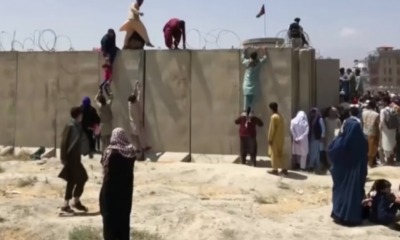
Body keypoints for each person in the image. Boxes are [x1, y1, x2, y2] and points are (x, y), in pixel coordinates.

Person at [328, 118, 368, 226]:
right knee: (354, 194)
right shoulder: (363, 141)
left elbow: (331, 151)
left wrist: (338, 136)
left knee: (341, 193)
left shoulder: (342, 140)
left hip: (341, 174)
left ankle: (339, 214)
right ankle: (352, 217)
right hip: (357, 174)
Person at [100, 128, 136, 240]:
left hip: (110, 192)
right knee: (123, 220)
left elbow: (103, 165)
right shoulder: (131, 153)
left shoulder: (110, 152)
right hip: (125, 194)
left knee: (109, 219)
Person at [58, 107, 89, 213]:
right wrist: (63, 158)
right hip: (70, 158)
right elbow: (64, 142)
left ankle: (74, 201)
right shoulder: (70, 126)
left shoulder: (77, 126)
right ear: (78, 115)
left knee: (80, 178)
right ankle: (68, 203)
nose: (82, 116)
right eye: (81, 114)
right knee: (75, 179)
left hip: (76, 158)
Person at [128, 81, 150, 160]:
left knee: (136, 138)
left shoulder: (129, 103)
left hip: (132, 123)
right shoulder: (135, 104)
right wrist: (139, 88)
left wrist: (135, 87)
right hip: (137, 123)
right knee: (140, 136)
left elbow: (133, 95)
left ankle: (137, 149)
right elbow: (139, 96)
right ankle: (143, 148)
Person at [267, 102, 287, 175]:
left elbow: (272, 129)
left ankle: (275, 169)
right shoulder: (280, 116)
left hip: (275, 138)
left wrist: (270, 138)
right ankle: (284, 168)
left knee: (274, 154)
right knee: (280, 154)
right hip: (281, 138)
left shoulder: (273, 117)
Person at [362, 100, 380, 167]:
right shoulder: (376, 114)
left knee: (365, 147)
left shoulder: (363, 112)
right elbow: (378, 124)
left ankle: (365, 162)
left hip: (364, 131)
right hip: (373, 132)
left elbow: (362, 122)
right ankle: (370, 163)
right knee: (372, 148)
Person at [380, 96, 397, 165]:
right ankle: (392, 159)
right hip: (393, 128)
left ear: (385, 102)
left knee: (386, 143)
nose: (381, 102)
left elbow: (382, 121)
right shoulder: (393, 109)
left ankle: (388, 160)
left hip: (386, 129)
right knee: (392, 142)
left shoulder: (383, 110)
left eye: (382, 101)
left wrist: (380, 128)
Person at [308, 108, 325, 173]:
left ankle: (311, 165)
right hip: (312, 136)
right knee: (315, 151)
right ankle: (316, 164)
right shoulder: (312, 119)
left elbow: (323, 128)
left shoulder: (320, 119)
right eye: (312, 112)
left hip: (317, 137)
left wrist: (322, 136)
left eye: (314, 112)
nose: (313, 113)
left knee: (314, 151)